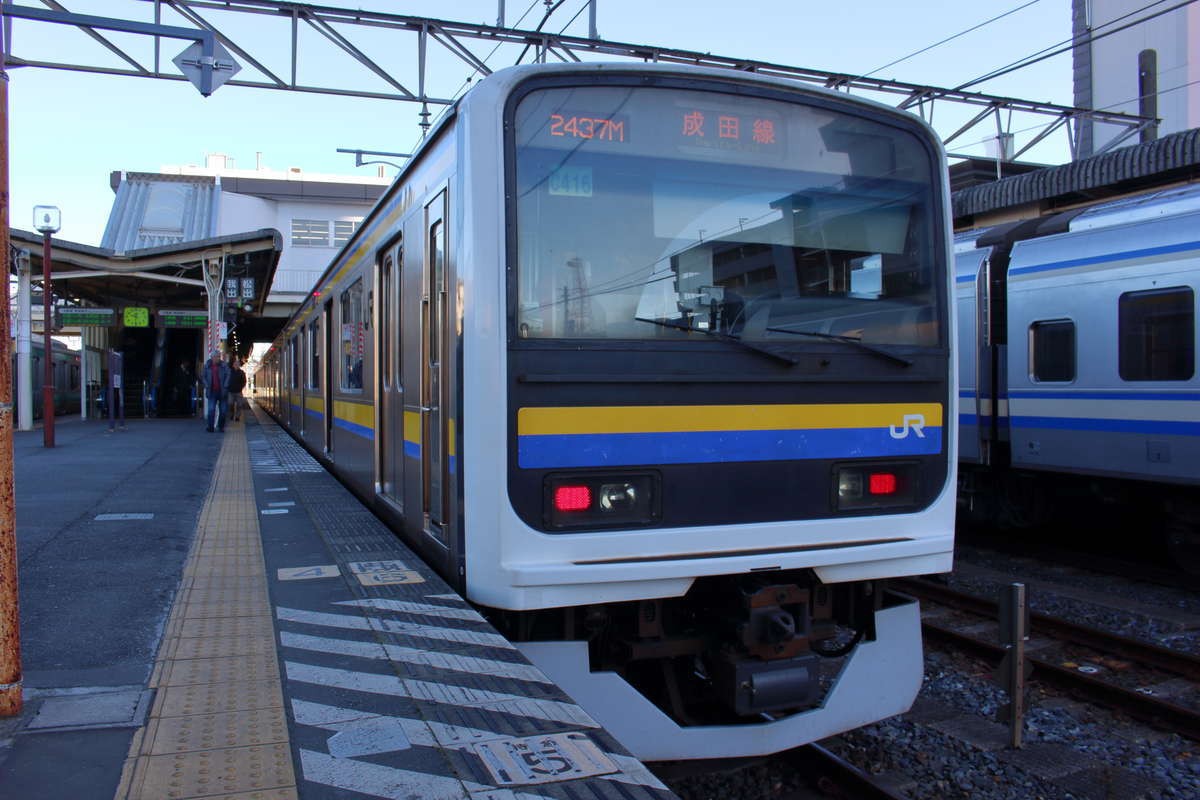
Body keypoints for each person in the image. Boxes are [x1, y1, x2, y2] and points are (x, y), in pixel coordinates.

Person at [202, 351, 231, 432]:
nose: (217, 358)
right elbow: (203, 376)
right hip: (211, 392)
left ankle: (221, 426)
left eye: (218, 356)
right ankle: (210, 427)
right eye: (216, 357)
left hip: (222, 392)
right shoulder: (207, 366)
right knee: (211, 410)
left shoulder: (224, 366)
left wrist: (225, 385)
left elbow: (228, 374)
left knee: (223, 411)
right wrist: (206, 385)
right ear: (212, 358)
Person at [227, 355, 247, 422]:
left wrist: (241, 387)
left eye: (237, 364)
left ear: (239, 365)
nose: (236, 365)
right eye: (235, 364)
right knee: (230, 403)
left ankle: (238, 416)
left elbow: (244, 381)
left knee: (240, 405)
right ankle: (232, 414)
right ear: (233, 365)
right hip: (230, 391)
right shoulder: (229, 372)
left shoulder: (242, 373)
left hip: (238, 391)